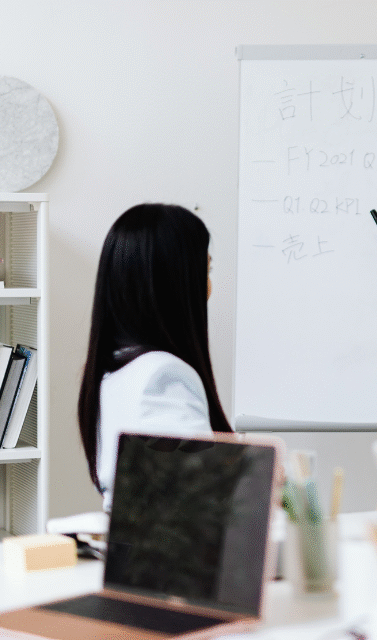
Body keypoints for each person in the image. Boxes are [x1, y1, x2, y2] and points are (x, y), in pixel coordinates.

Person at [77, 203, 232, 512]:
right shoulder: (164, 374)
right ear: (176, 283)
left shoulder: (114, 367)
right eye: (206, 271)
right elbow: (197, 498)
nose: (209, 288)